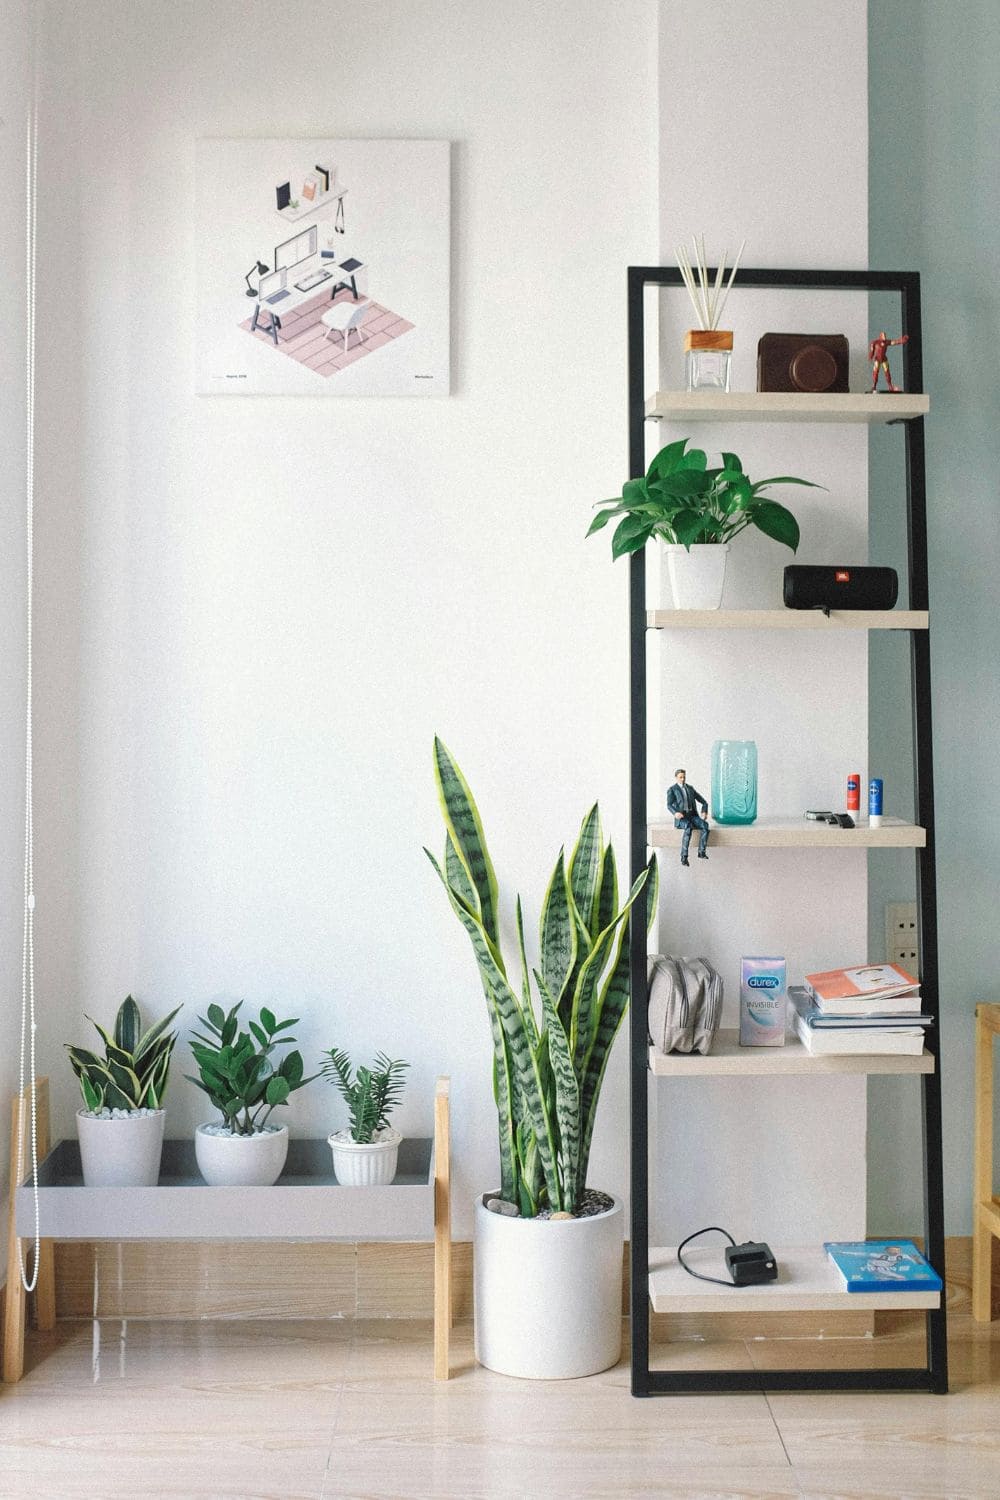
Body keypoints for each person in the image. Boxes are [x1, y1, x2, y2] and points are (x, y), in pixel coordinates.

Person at [666, 768, 710, 866]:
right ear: (676, 778)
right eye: (680, 777)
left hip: (692, 815)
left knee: (705, 826)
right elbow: (669, 805)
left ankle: (701, 851)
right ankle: (684, 857)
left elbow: (704, 802)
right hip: (681, 817)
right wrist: (675, 813)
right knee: (688, 827)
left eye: (684, 777)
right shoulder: (672, 789)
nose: (682, 779)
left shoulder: (690, 788)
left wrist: (704, 812)